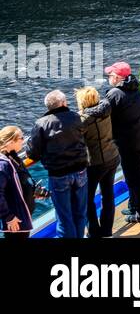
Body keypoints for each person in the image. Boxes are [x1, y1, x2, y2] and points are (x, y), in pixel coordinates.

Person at [26, 89, 89, 237]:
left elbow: (32, 152)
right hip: (80, 170)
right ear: (62, 103)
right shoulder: (75, 116)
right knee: (80, 212)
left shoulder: (41, 124)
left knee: (63, 215)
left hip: (59, 173)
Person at [104, 61, 140, 225]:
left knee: (137, 180)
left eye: (111, 75)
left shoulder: (114, 94)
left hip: (132, 143)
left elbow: (104, 116)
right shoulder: (136, 88)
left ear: (117, 77)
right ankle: (134, 206)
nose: (108, 78)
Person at [76, 86, 117, 238]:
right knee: (108, 194)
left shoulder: (83, 120)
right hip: (112, 156)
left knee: (87, 198)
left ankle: (93, 232)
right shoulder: (106, 110)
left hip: (95, 162)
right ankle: (107, 232)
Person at [0, 126, 38, 238]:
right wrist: (9, 217)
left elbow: (20, 183)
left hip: (23, 217)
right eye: (21, 138)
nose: (23, 140)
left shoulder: (14, 159)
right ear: (10, 142)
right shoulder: (3, 164)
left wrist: (33, 191)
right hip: (15, 222)